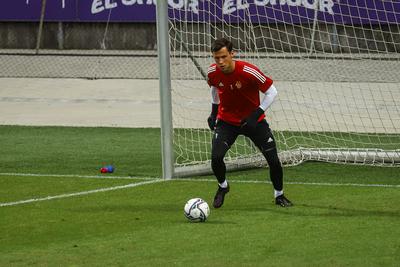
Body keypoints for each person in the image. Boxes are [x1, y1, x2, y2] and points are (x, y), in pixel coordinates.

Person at [206, 38, 293, 208]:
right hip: (227, 121)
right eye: (217, 58)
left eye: (224, 57)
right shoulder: (212, 72)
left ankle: (279, 195)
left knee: (273, 160)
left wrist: (256, 114)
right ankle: (223, 187)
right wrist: (214, 112)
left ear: (232, 54)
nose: (220, 62)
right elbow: (214, 88)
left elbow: (272, 92)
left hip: (254, 122)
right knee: (216, 158)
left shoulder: (249, 71)